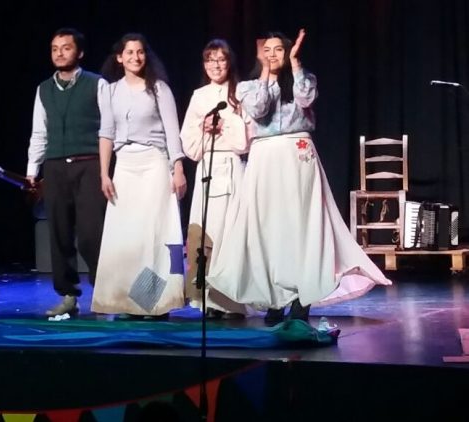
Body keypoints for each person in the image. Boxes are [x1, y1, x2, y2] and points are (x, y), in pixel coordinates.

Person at [206, 29, 391, 325]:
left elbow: (305, 99)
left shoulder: (303, 79)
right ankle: (274, 299)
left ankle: (301, 298)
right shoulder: (248, 86)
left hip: (297, 154)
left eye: (279, 49)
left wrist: (295, 63)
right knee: (268, 228)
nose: (273, 54)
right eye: (267, 50)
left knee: (301, 226)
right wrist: (266, 73)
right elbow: (259, 108)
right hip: (265, 157)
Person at [91, 33, 187, 318]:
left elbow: (172, 131)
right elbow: (106, 133)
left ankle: (152, 301)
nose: (135, 57)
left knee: (153, 234)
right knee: (126, 235)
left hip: (154, 163)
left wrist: (178, 168)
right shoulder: (109, 91)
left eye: (140, 52)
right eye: (129, 52)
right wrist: (104, 173)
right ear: (119, 58)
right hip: (124, 166)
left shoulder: (158, 89)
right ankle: (126, 301)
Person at [26, 28, 110, 316]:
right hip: (56, 167)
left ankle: (103, 291)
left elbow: (108, 128)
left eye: (66, 47)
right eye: (55, 48)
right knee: (59, 234)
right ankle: (68, 295)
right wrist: (32, 169)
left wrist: (107, 169)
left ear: (80, 52)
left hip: (89, 164)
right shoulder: (44, 89)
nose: (60, 53)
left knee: (91, 234)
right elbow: (39, 131)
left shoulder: (97, 84)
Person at [180, 39, 249, 319]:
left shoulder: (241, 92)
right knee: (205, 236)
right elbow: (189, 143)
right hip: (207, 167)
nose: (215, 65)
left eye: (221, 59)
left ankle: (231, 301)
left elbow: (244, 140)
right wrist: (203, 126)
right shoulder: (199, 96)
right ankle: (207, 300)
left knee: (229, 235)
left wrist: (224, 125)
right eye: (210, 60)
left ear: (229, 62)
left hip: (231, 166)